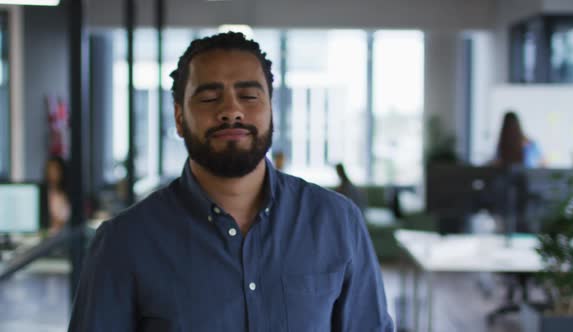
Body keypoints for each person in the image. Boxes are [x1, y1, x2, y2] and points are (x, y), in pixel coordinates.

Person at [68, 32, 395, 331]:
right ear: (180, 117)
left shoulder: (336, 221)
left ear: (271, 110)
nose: (231, 110)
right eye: (210, 98)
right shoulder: (124, 241)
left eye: (249, 96)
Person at [44, 155, 71, 234]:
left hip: (63, 236)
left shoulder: (66, 194)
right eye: (50, 169)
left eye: (55, 170)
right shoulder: (45, 194)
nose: (52, 173)